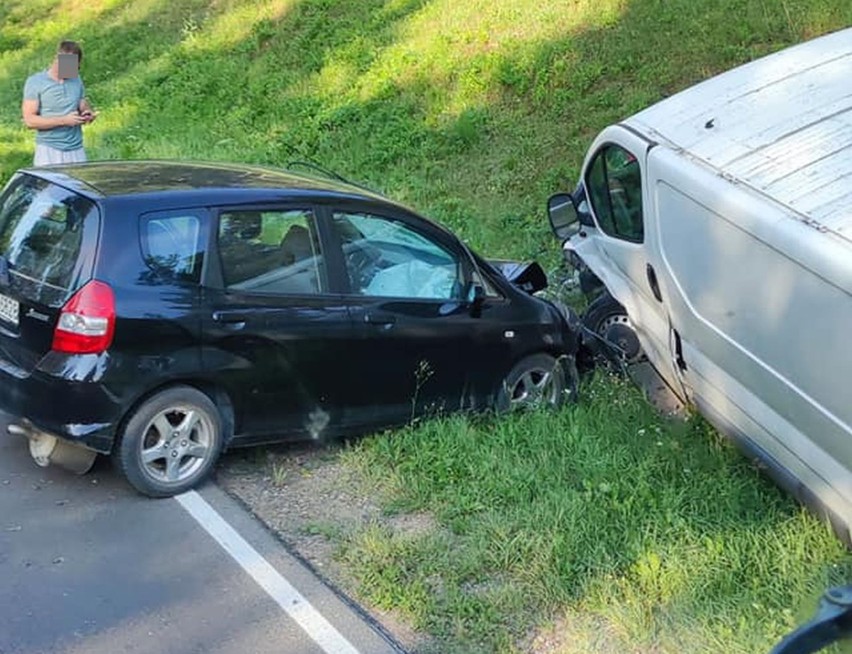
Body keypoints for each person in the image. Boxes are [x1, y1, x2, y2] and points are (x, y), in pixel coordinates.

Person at [22, 40, 96, 166]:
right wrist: (64, 120)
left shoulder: (76, 79)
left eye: (75, 67)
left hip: (76, 148)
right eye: (68, 65)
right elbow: (29, 120)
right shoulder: (36, 82)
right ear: (57, 60)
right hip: (49, 149)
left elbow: (82, 102)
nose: (72, 70)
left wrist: (86, 113)